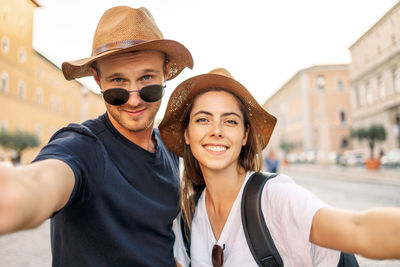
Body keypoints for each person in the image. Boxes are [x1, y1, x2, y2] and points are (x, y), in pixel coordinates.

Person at [0, 6, 193, 266]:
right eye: (118, 83)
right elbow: (37, 184)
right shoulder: (82, 146)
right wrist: (15, 194)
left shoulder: (170, 148)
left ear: (166, 72)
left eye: (147, 78)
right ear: (98, 79)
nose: (134, 99)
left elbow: (157, 237)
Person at [159, 68, 400, 266]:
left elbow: (358, 230)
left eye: (230, 121)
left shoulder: (274, 197)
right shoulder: (187, 218)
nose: (216, 130)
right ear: (187, 134)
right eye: (203, 119)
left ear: (245, 135)